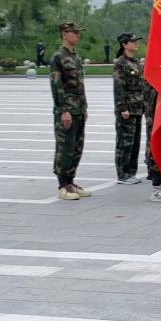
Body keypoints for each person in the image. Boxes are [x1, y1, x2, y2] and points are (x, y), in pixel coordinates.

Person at [49, 21, 91, 201]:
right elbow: (57, 86)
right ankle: (62, 185)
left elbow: (80, 85)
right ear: (64, 34)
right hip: (67, 109)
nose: (78, 35)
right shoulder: (58, 57)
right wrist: (63, 110)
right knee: (65, 148)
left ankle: (71, 182)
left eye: (78, 32)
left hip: (78, 108)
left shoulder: (75, 56)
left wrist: (84, 107)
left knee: (76, 147)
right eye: (74, 32)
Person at [113, 33, 145, 185]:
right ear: (124, 44)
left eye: (136, 41)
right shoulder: (121, 63)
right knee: (124, 143)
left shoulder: (136, 62)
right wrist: (122, 107)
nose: (136, 43)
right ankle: (123, 174)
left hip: (137, 108)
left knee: (134, 142)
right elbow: (119, 87)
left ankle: (131, 172)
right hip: (127, 109)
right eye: (132, 41)